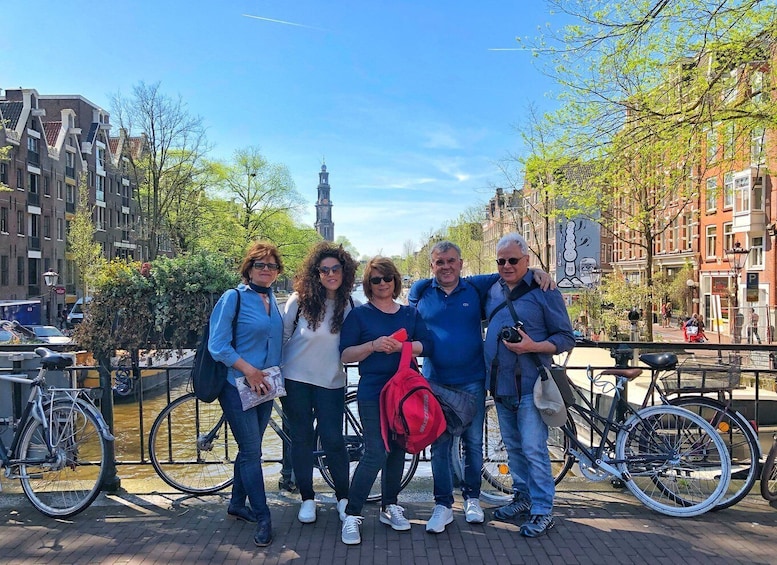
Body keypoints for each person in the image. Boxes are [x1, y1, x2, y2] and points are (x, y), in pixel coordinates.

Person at [407, 241, 553, 534]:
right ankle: (443, 505)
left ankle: (472, 498)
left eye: (451, 261)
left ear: (461, 263)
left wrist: (538, 271)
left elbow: (511, 269)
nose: (446, 267)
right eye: (439, 262)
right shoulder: (420, 291)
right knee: (440, 445)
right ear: (431, 266)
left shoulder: (475, 287)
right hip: (435, 381)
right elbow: (407, 326)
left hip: (473, 380)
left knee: (473, 443)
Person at [484, 233, 575, 538]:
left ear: (526, 260)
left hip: (531, 386)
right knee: (513, 449)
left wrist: (533, 346)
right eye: (501, 261)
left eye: (513, 260)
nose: (506, 266)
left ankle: (543, 510)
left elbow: (565, 338)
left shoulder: (544, 291)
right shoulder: (492, 289)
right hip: (500, 386)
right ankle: (522, 497)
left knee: (534, 449)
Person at [338, 257, 434, 545]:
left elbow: (427, 345)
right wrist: (373, 345)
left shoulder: (409, 314)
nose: (383, 284)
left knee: (398, 448)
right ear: (369, 284)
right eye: (376, 279)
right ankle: (353, 514)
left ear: (395, 281)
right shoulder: (359, 315)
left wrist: (403, 346)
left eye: (387, 278)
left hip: (403, 392)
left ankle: (389, 505)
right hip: (373, 391)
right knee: (375, 451)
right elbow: (345, 355)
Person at [208, 241, 284, 547]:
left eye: (271, 265)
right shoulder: (233, 298)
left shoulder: (273, 300)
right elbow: (217, 345)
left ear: (277, 272)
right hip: (237, 386)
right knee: (252, 452)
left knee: (249, 449)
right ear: (249, 268)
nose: (266, 269)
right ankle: (264, 517)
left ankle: (237, 504)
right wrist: (249, 370)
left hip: (265, 387)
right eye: (260, 264)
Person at [282, 242, 360, 525]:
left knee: (333, 440)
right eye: (324, 270)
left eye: (335, 269)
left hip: (331, 381)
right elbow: (282, 337)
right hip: (296, 380)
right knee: (301, 439)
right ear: (315, 273)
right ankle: (307, 498)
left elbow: (361, 336)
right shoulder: (299, 301)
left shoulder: (350, 305)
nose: (330, 274)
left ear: (344, 271)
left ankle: (343, 497)